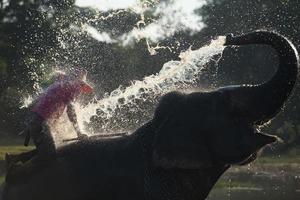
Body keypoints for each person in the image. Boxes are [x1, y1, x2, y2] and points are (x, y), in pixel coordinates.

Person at [5, 68, 93, 183]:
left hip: (35, 118)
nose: (81, 94)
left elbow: (50, 106)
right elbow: (70, 111)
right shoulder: (74, 87)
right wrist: (79, 132)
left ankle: (15, 158)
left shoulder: (61, 83)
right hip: (39, 121)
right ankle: (16, 172)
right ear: (81, 83)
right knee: (50, 155)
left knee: (50, 147)